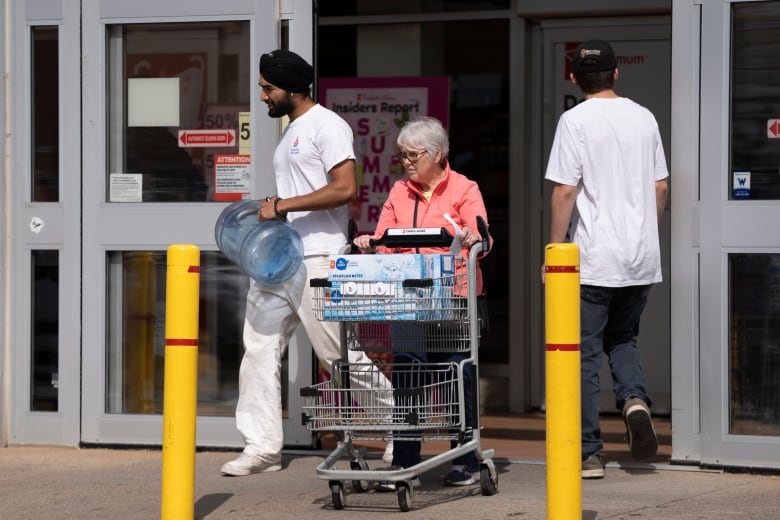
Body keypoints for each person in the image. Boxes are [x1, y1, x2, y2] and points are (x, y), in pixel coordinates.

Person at [221, 49, 393, 476]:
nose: (262, 96)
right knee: (258, 348)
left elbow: (345, 188)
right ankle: (262, 447)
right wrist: (278, 213)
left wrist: (279, 205)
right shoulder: (291, 129)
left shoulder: (328, 125)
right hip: (281, 257)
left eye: (268, 88)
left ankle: (398, 430)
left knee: (337, 354)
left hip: (319, 256)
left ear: (293, 87)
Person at [543, 40, 669, 479]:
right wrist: (644, 234)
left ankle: (588, 451)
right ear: (617, 74)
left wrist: (554, 251)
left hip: (594, 256)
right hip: (639, 256)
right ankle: (634, 400)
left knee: (584, 354)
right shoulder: (644, 117)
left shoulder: (574, 120)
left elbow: (564, 190)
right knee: (624, 339)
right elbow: (660, 188)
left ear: (574, 79)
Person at [354, 116, 491, 488]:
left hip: (454, 297)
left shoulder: (464, 188)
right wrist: (371, 242)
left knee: (457, 377)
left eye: (413, 155)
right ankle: (404, 464)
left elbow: (482, 236)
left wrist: (468, 234)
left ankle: (465, 459)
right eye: (403, 155)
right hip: (410, 299)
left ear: (438, 154)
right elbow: (384, 236)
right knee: (409, 376)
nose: (407, 162)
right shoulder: (400, 192)